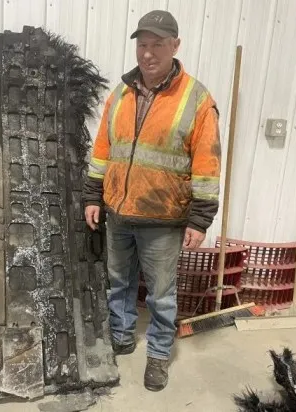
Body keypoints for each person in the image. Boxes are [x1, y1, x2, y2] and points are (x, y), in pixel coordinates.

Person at [82, 10, 221, 391]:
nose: (147, 53)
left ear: (175, 46)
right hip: (118, 212)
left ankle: (159, 354)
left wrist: (199, 219)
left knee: (161, 294)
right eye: (142, 44)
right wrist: (94, 195)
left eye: (157, 44)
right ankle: (122, 336)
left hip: (163, 218)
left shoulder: (196, 99)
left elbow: (207, 165)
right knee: (118, 282)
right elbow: (103, 149)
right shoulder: (122, 93)